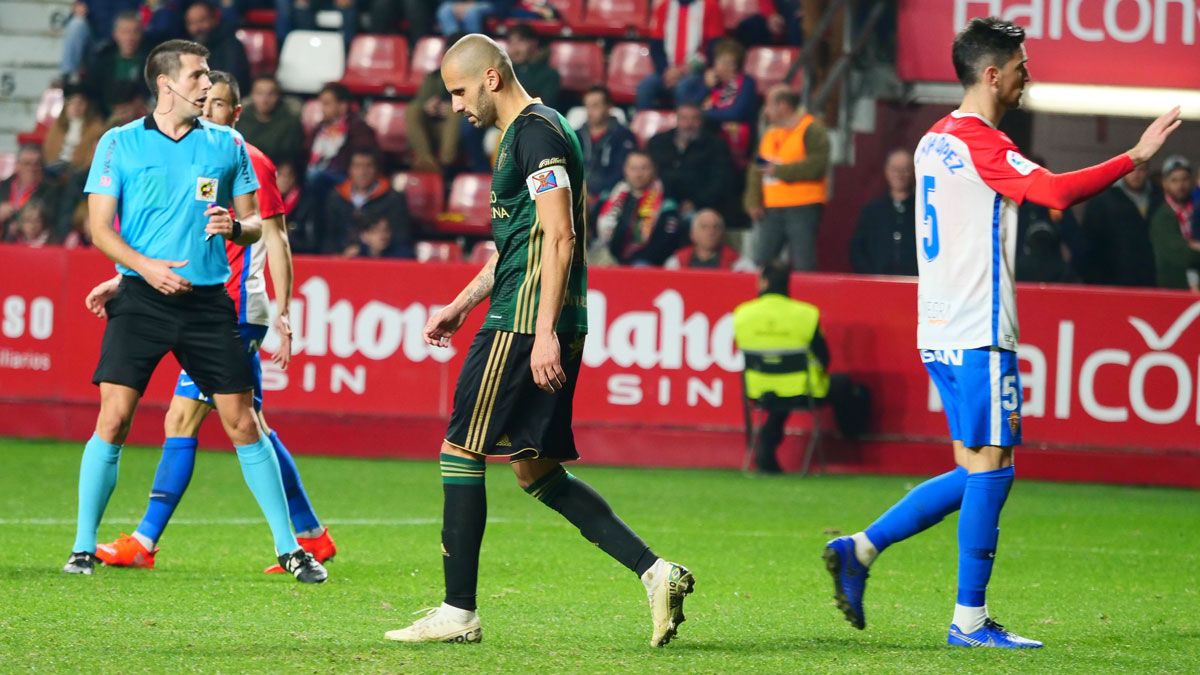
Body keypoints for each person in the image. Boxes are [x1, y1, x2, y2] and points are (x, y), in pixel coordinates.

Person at [823, 17, 1180, 649]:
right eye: (1021, 66)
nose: (1028, 75)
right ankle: (969, 621)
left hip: (939, 328)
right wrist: (1137, 156)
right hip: (978, 329)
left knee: (976, 469)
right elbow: (1056, 194)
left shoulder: (935, 139)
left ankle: (860, 548)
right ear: (993, 75)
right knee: (995, 470)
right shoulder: (982, 144)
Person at [385, 34, 695, 647]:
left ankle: (458, 610)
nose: (453, 106)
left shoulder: (534, 134)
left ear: (491, 78)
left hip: (527, 321)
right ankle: (657, 572)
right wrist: (459, 304)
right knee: (535, 471)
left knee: (458, 450)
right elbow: (517, 244)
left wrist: (544, 333)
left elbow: (560, 236)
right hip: (534, 314)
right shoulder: (537, 131)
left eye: (458, 91)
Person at [62, 39, 328, 584]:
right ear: (165, 83)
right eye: (198, 76)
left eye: (208, 77)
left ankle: (290, 547)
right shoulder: (119, 144)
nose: (207, 85)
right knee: (113, 419)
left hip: (209, 304)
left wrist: (235, 226)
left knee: (244, 421)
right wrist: (139, 269)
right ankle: (82, 546)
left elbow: (258, 225)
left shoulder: (228, 145)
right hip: (140, 298)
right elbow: (99, 228)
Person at [733, 262, 831, 473]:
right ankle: (856, 451)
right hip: (803, 391)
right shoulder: (807, 314)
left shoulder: (742, 314)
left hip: (758, 391)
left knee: (779, 400)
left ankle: (765, 450)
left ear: (764, 282)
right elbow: (824, 358)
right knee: (846, 387)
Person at [745, 86, 830, 272]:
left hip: (803, 205)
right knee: (763, 261)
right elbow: (756, 167)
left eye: (768, 105)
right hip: (772, 207)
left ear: (783, 106)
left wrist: (779, 171)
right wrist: (752, 200)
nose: (765, 111)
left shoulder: (812, 129)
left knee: (803, 263)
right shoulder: (770, 132)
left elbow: (816, 166)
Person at [593, 151, 686, 267]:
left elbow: (665, 243)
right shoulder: (609, 197)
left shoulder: (666, 205)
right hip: (607, 257)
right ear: (625, 170)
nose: (638, 174)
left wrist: (629, 261)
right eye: (633, 168)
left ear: (654, 171)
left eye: (644, 168)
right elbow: (591, 230)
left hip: (644, 263)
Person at [646, 103, 735, 221]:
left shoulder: (715, 146)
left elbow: (721, 181)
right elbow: (647, 172)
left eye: (694, 119)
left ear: (702, 121)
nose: (689, 124)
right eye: (684, 118)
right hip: (659, 202)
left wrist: (696, 202)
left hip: (699, 207)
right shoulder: (658, 142)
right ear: (677, 120)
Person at [1080, 161, 1160, 287]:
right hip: (1112, 277)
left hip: (1149, 277)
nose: (1136, 174)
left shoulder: (1158, 198)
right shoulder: (1103, 200)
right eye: (1131, 170)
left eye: (1141, 170)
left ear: (1148, 172)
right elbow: (1089, 242)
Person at [636, 0, 725, 110]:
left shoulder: (710, 6)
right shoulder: (664, 7)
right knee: (645, 87)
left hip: (697, 71)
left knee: (684, 87)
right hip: (667, 70)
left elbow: (715, 47)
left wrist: (684, 70)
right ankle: (642, 126)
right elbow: (656, 47)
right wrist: (667, 71)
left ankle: (683, 126)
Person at [324, 149, 414, 255]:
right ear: (349, 170)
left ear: (377, 170)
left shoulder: (394, 199)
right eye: (357, 166)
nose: (362, 172)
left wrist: (367, 249)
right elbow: (328, 238)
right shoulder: (336, 198)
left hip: (380, 261)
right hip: (342, 261)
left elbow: (401, 240)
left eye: (368, 166)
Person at [850, 148, 918, 276]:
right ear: (887, 171)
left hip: (914, 284)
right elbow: (857, 249)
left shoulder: (923, 213)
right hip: (876, 284)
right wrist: (871, 276)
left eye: (905, 169)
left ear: (913, 172)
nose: (899, 174)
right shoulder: (872, 211)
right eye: (895, 169)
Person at [305, 82, 377, 191]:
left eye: (327, 104)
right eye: (322, 104)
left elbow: (362, 159)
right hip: (316, 173)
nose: (322, 109)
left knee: (314, 176)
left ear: (343, 106)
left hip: (343, 177)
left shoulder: (358, 129)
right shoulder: (320, 128)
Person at [577, 86, 636, 210]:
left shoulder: (623, 136)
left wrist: (596, 194)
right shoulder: (576, 135)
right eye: (587, 106)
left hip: (610, 195)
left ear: (609, 107)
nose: (590, 111)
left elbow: (622, 172)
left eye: (595, 106)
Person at [84, 11, 151, 116]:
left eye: (135, 32)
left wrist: (136, 106)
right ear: (115, 34)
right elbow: (92, 92)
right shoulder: (102, 60)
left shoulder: (150, 62)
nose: (130, 38)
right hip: (104, 119)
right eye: (125, 32)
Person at [1148, 155, 1200, 291]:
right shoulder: (1161, 217)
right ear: (1164, 183)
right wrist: (1191, 248)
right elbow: (1181, 256)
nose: (1180, 185)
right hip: (1173, 290)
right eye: (1174, 180)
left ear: (1192, 181)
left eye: (1184, 179)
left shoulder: (1197, 210)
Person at [237, 75, 306, 170]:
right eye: (259, 93)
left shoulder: (290, 122)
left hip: (276, 172)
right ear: (252, 95)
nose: (265, 100)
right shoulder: (240, 119)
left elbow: (292, 157)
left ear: (278, 96)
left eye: (271, 94)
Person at [185, 1, 250, 94]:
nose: (197, 28)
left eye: (202, 21)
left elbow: (231, 80)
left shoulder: (231, 44)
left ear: (214, 19)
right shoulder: (188, 48)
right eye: (191, 23)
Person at [0, 146, 63, 242]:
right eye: (27, 163)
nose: (32, 168)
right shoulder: (2, 186)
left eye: (36, 164)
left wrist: (17, 210)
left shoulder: (52, 191)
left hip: (35, 245)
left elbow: (50, 218)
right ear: (17, 165)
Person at [43, 85, 107, 178]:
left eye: (80, 103)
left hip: (78, 170)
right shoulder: (58, 125)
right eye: (72, 103)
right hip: (56, 166)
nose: (76, 107)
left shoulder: (96, 128)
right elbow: (48, 148)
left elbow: (92, 156)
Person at [406, 67, 462, 173]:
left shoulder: (474, 77)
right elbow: (420, 101)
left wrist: (454, 107)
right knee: (412, 110)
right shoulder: (435, 76)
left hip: (462, 128)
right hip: (434, 127)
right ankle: (426, 161)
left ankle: (446, 163)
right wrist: (427, 107)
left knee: (454, 112)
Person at [664, 209, 751, 271]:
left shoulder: (739, 265)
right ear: (692, 235)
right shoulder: (675, 263)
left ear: (722, 234)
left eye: (716, 227)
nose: (711, 232)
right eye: (704, 227)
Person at [345, 216, 413, 258]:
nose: (382, 235)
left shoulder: (403, 255)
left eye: (386, 230)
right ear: (364, 236)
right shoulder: (357, 255)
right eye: (376, 231)